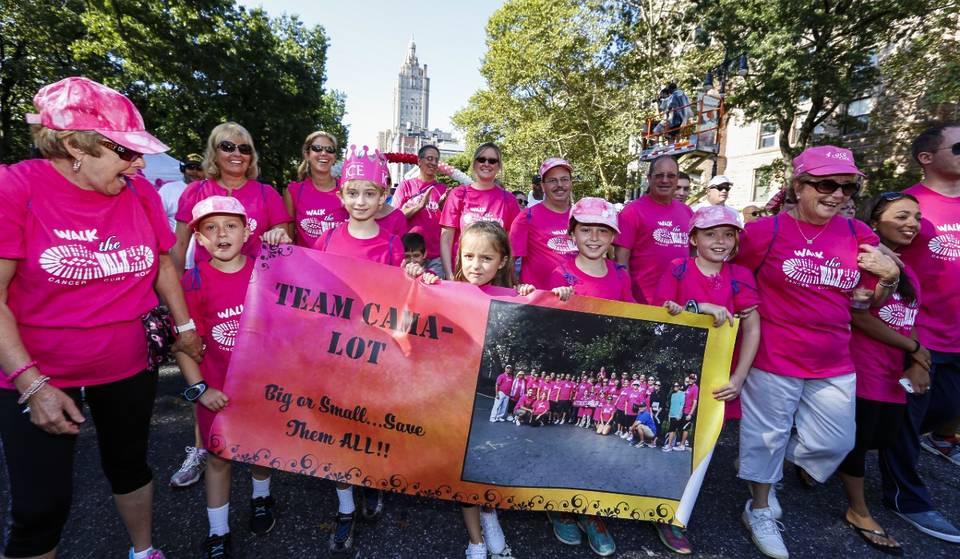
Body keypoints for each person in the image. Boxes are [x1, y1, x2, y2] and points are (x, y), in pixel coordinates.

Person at [0, 76, 202, 559]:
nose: (139, 164)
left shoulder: (139, 193)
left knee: (130, 466)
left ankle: (144, 551)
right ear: (76, 146)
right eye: (126, 152)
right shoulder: (14, 187)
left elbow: (163, 264)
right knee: (39, 506)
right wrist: (32, 385)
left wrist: (186, 328)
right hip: (38, 370)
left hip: (127, 363)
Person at [734, 146, 900, 559]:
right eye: (826, 184)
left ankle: (768, 462)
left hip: (833, 359)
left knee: (836, 443)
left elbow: (869, 302)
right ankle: (759, 508)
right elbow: (734, 277)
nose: (837, 194)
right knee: (765, 438)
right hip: (773, 356)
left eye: (847, 187)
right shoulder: (764, 232)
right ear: (799, 186)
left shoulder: (857, 233)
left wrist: (889, 279)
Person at [307, 145, 402, 552]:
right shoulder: (326, 238)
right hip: (334, 353)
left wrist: (416, 276)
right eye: (353, 193)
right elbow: (304, 288)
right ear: (341, 196)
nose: (361, 201)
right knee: (336, 428)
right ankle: (345, 507)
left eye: (369, 193)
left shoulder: (393, 244)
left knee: (371, 424)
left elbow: (403, 299)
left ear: (382, 197)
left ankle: (371, 480)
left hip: (376, 353)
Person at [418, 220, 528, 559]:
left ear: (503, 261)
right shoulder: (444, 291)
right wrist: (419, 278)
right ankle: (476, 540)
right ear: (459, 256)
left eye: (486, 258)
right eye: (468, 256)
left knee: (485, 465)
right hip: (453, 399)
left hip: (482, 399)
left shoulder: (516, 298)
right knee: (463, 471)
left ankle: (490, 516)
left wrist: (537, 296)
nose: (475, 265)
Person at [176, 197, 279, 557]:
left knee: (260, 450)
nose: (221, 234)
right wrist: (200, 389)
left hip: (260, 388)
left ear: (247, 231)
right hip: (216, 389)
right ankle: (218, 532)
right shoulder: (192, 281)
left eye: (231, 226)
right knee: (218, 458)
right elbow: (184, 345)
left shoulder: (266, 271)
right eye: (211, 228)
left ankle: (261, 499)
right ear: (199, 239)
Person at [880, 122, 960, 543]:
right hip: (919, 335)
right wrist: (909, 343)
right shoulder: (909, 206)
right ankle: (907, 499)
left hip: (958, 335)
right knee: (904, 422)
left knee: (944, 412)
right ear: (926, 158)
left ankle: (861, 442)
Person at [835, 192, 927, 555]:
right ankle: (858, 511)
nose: (912, 224)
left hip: (893, 373)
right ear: (875, 223)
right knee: (858, 443)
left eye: (916, 217)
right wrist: (914, 349)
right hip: (862, 367)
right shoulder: (865, 262)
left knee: (882, 438)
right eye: (902, 216)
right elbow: (860, 317)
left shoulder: (908, 270)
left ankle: (809, 462)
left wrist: (916, 360)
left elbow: (910, 316)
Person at [173, 122, 292, 273]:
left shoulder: (267, 193)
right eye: (227, 147)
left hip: (256, 283)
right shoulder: (195, 191)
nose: (237, 153)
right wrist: (175, 286)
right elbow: (180, 245)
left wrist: (279, 237)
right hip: (205, 283)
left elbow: (283, 246)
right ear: (214, 154)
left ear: (251, 157)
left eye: (244, 149)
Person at [614, 155, 694, 303]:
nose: (665, 180)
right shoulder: (632, 212)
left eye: (671, 176)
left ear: (677, 179)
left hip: (679, 302)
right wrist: (627, 297)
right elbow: (620, 261)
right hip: (643, 303)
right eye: (659, 175)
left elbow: (694, 256)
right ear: (649, 178)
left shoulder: (687, 212)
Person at [439, 142, 522, 279]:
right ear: (474, 163)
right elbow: (446, 239)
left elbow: (511, 243)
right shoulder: (458, 194)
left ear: (499, 166)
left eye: (492, 161)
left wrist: (507, 275)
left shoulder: (509, 200)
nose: (486, 164)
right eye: (481, 159)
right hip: (461, 274)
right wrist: (449, 274)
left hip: (495, 276)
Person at [511, 158, 578, 288]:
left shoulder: (581, 216)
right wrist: (517, 288)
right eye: (552, 180)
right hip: (539, 297)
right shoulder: (526, 217)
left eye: (564, 179)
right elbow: (510, 261)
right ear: (542, 186)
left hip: (577, 296)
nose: (559, 185)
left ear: (571, 183)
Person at [391, 144, 448, 275]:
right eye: (429, 158)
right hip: (410, 255)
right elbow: (395, 217)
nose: (433, 163)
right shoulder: (405, 186)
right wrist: (419, 206)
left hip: (435, 257)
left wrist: (442, 207)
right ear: (419, 161)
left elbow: (448, 222)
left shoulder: (443, 189)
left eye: (436, 160)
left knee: (432, 287)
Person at [285, 130, 347, 247]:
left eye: (329, 149)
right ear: (307, 154)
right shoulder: (294, 191)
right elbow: (289, 241)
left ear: (334, 157)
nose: (324, 153)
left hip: (340, 258)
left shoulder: (347, 190)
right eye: (317, 148)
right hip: (305, 259)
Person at [158, 153, 205, 231]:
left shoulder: (210, 190)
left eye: (199, 168)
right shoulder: (168, 189)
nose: (195, 171)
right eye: (191, 167)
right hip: (174, 237)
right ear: (183, 169)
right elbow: (157, 217)